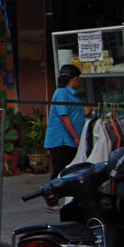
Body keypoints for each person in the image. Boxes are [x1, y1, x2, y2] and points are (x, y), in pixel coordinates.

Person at [44, 64, 85, 211]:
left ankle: (69, 199)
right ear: (74, 79)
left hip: (68, 140)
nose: (79, 82)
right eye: (78, 79)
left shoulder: (72, 94)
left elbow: (74, 112)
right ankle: (51, 199)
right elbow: (64, 116)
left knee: (69, 170)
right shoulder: (61, 93)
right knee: (60, 171)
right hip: (60, 140)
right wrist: (76, 136)